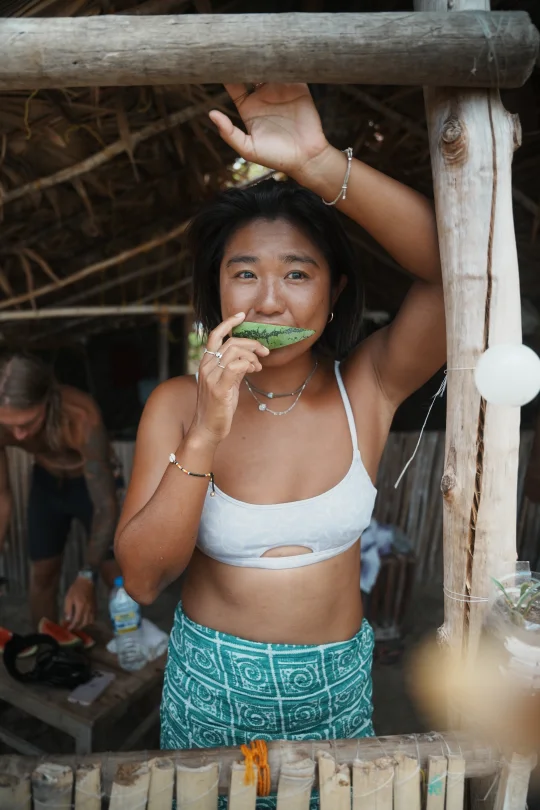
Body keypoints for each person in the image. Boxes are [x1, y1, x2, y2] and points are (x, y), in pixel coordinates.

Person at [116, 82, 445, 798]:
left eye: (298, 273)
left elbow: (453, 266)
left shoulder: (369, 385)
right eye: (245, 274)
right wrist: (206, 431)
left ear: (335, 292)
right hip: (211, 691)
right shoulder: (177, 405)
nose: (270, 300)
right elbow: (142, 579)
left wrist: (318, 163)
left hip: (336, 691)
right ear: (217, 292)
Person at [0, 353, 121, 630]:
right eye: (9, 426)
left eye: (26, 424)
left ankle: (130, 642)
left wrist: (86, 575)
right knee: (42, 572)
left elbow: (105, 506)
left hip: (93, 485)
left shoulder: (81, 417)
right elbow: (1, 496)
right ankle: (46, 646)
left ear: (46, 401)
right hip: (47, 482)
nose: (18, 436)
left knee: (111, 569)